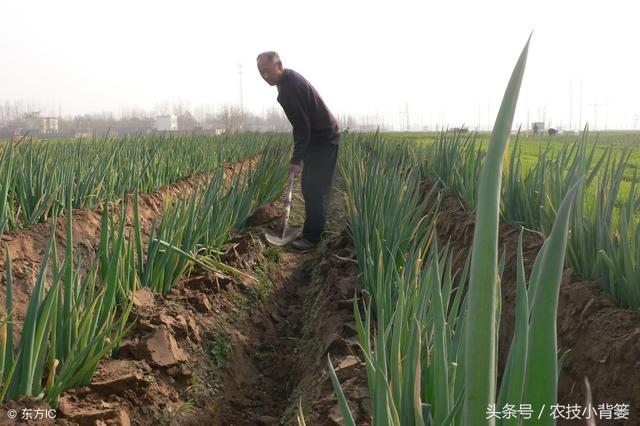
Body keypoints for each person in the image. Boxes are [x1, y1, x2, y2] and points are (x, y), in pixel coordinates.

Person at [256, 51, 340, 250]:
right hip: (318, 139)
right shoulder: (288, 81)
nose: (265, 76)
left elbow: (303, 128)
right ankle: (314, 230)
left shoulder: (289, 90)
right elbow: (302, 127)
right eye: (261, 73)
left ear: (279, 65)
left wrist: (296, 160)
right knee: (310, 186)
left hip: (324, 139)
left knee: (314, 189)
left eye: (267, 70)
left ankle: (312, 238)